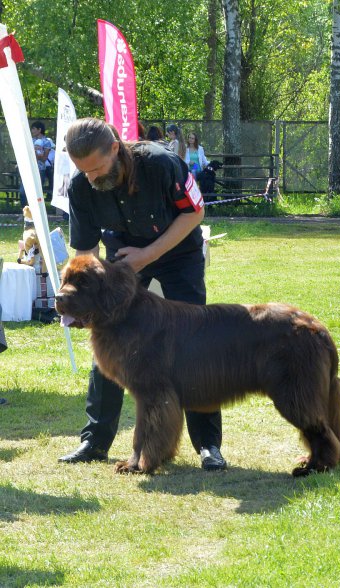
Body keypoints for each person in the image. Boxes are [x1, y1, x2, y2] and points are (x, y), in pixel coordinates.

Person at [57, 117, 227, 471]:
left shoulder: (162, 163)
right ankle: (94, 441)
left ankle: (208, 445)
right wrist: (83, 302)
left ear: (115, 148)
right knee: (107, 344)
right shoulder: (80, 186)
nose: (91, 178)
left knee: (196, 347)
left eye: (97, 168)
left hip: (177, 255)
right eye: (83, 171)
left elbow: (195, 213)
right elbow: (86, 252)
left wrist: (147, 256)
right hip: (119, 265)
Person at [20, 121, 55, 206]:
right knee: (22, 192)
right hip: (28, 170)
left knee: (36, 194)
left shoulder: (46, 142)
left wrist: (35, 153)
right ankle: (25, 212)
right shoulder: (30, 140)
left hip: (40, 171)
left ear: (39, 130)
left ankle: (35, 215)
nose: (32, 130)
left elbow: (44, 158)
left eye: (33, 128)